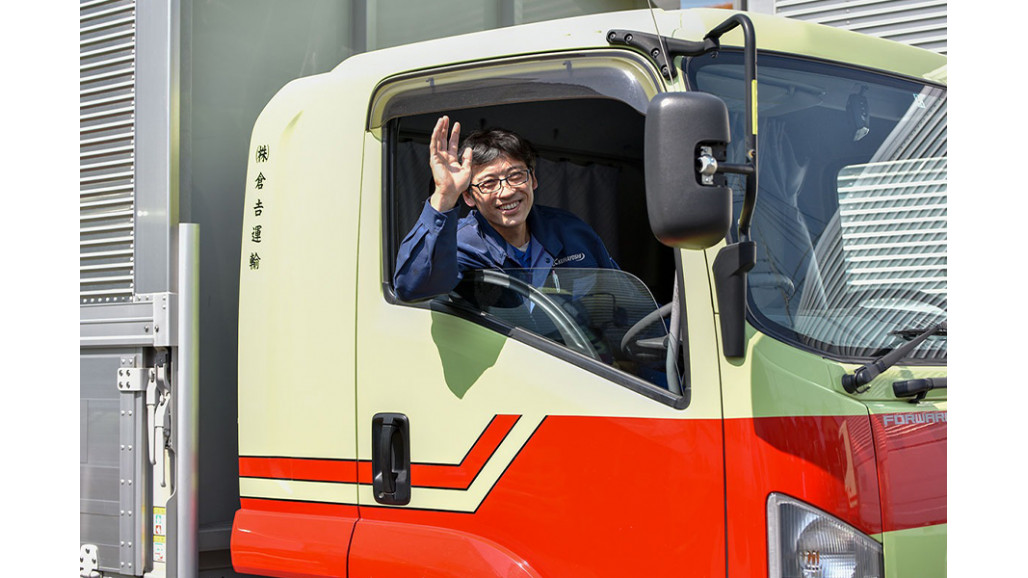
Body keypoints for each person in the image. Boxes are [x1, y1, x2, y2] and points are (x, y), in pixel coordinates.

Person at [393, 116, 618, 302]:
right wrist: (444, 196)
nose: (507, 191)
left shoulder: (570, 231)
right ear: (469, 196)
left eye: (516, 176)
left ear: (533, 179)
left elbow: (618, 299)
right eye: (489, 183)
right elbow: (415, 288)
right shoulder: (460, 245)